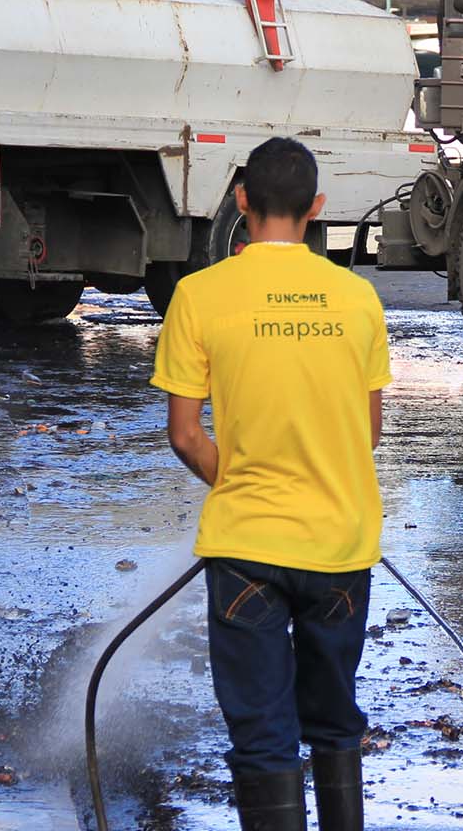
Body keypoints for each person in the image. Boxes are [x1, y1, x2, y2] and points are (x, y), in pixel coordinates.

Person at [152, 136, 392, 831]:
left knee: (263, 740)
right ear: (316, 208)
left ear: (242, 202)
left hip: (247, 550)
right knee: (335, 724)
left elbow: (184, 434)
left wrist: (245, 481)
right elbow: (367, 432)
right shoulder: (358, 297)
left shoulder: (199, 296)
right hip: (341, 550)